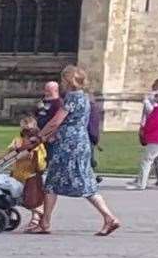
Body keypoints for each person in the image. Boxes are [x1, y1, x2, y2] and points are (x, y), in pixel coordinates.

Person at [35, 64, 121, 236]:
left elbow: (56, 121)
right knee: (76, 180)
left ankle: (108, 217)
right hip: (81, 142)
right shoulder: (85, 97)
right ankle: (45, 222)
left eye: (63, 79)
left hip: (68, 144)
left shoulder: (72, 98)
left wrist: (40, 136)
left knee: (58, 181)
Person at [128, 79, 158, 190]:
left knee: (146, 160)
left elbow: (151, 122)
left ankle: (141, 184)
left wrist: (144, 131)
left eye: (157, 98)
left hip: (156, 139)